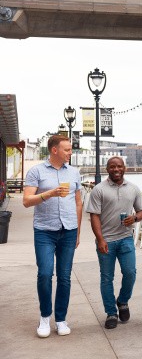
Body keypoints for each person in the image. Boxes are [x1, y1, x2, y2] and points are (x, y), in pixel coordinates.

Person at [23, 134, 82, 338]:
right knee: (45, 274)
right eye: (67, 149)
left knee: (64, 277)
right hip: (44, 231)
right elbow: (26, 201)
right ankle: (45, 317)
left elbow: (78, 204)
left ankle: (61, 319)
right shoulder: (36, 171)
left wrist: (78, 232)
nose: (70, 152)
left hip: (69, 230)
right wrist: (48, 194)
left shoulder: (74, 173)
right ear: (54, 150)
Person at [86, 157, 142, 329]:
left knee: (130, 273)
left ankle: (123, 301)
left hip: (126, 238)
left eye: (119, 166)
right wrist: (100, 240)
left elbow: (141, 211)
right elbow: (94, 216)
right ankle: (111, 312)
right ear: (107, 169)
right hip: (106, 241)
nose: (116, 169)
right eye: (112, 167)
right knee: (107, 278)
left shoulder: (133, 188)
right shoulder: (99, 190)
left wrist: (134, 218)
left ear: (124, 168)